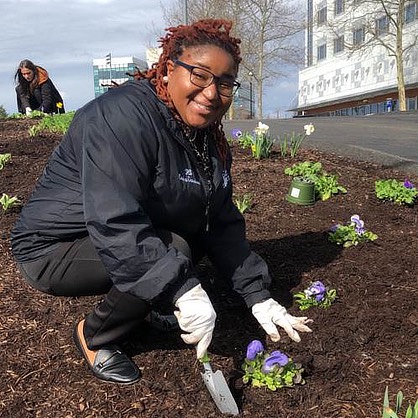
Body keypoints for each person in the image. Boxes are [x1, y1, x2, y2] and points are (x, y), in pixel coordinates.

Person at [11, 19, 312, 385]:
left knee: (192, 231)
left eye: (225, 83)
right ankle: (95, 336)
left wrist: (257, 295)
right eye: (200, 75)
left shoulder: (206, 137)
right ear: (170, 70)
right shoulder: (120, 118)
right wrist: (181, 288)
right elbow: (114, 220)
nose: (212, 93)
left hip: (106, 234)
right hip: (53, 248)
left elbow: (218, 218)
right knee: (178, 248)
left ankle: (146, 304)